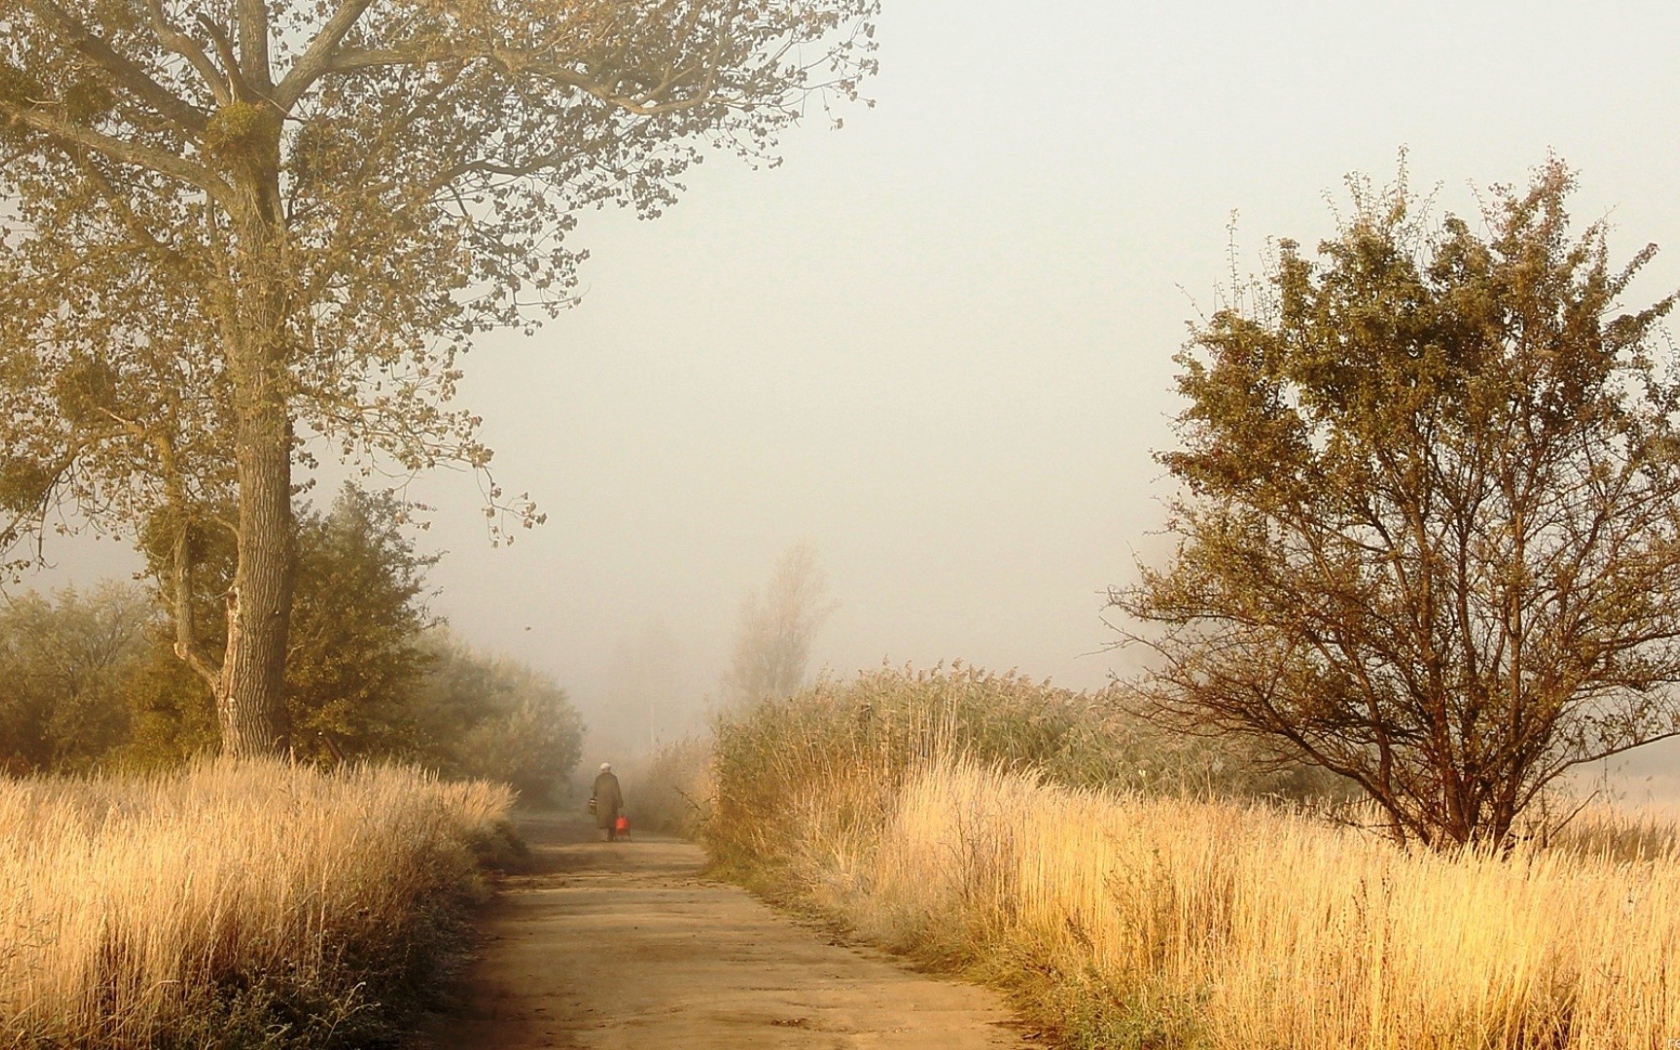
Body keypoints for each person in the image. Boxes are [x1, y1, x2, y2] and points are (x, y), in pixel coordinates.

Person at [591, 762, 625, 842]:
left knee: (602, 820)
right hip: (612, 802)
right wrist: (620, 802)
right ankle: (612, 836)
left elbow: (594, 791)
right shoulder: (614, 778)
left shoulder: (598, 778)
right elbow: (617, 791)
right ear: (609, 769)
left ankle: (604, 837)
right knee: (612, 819)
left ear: (602, 770)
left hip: (601, 802)